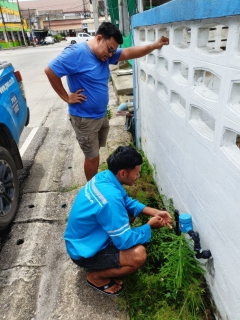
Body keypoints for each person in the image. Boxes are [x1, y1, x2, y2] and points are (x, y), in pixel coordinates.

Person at [44, 22, 169, 181]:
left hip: (100, 115)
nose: (111, 55)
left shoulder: (105, 54)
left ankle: (95, 183)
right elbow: (50, 71)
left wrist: (154, 46)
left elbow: (130, 52)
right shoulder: (77, 53)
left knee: (97, 152)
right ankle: (92, 191)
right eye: (109, 49)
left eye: (113, 51)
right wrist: (66, 97)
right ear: (99, 38)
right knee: (92, 157)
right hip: (85, 118)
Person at [64, 146, 173, 296]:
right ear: (123, 173)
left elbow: (126, 201)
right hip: (83, 252)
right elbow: (125, 242)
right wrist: (149, 226)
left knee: (127, 212)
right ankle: (96, 277)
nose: (138, 176)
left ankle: (110, 246)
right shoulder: (110, 200)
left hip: (84, 237)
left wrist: (154, 212)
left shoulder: (104, 177)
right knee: (138, 255)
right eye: (137, 173)